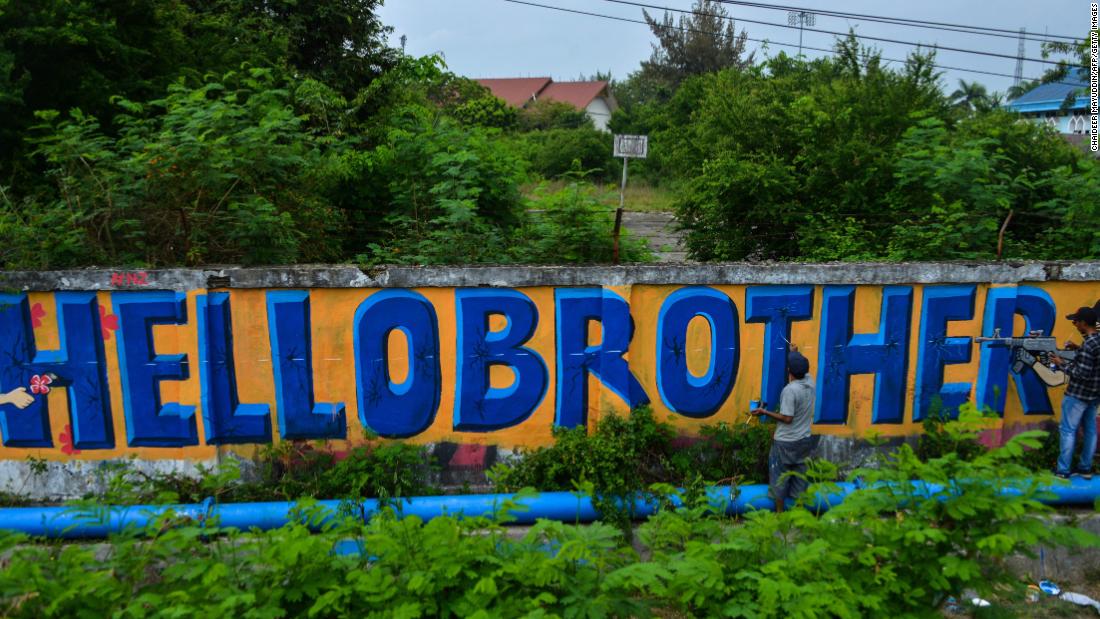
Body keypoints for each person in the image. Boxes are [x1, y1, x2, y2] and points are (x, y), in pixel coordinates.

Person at [751, 347, 815, 512]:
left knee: (779, 477)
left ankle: (780, 514)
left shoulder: (790, 391)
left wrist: (764, 412)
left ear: (789, 371)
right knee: (800, 478)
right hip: (804, 440)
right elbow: (802, 369)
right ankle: (799, 514)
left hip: (786, 442)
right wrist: (794, 352)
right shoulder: (810, 382)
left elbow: (787, 418)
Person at [1050, 306, 1100, 479]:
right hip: (1094, 395)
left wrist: (1060, 363)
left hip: (1078, 395)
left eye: (1076, 321)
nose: (1074, 324)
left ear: (1084, 323)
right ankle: (1085, 468)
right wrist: (1077, 348)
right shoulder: (1096, 341)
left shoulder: (1089, 344)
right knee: (1090, 431)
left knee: (1067, 430)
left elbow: (1082, 373)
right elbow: (1092, 360)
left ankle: (1063, 470)